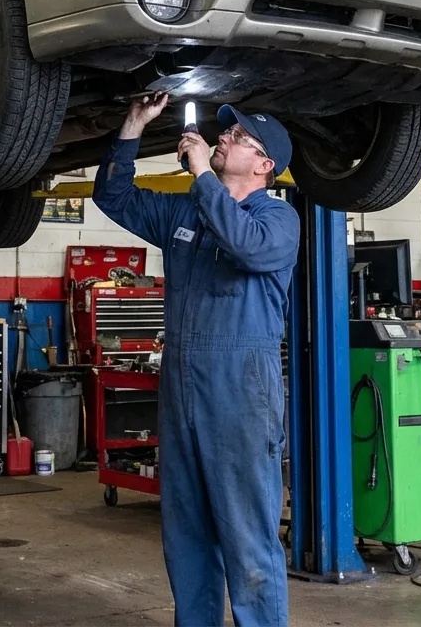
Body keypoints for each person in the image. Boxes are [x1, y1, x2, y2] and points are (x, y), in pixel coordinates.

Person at [93, 92, 300, 627]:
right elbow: (113, 197)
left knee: (247, 539)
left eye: (239, 137)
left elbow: (245, 246)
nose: (224, 135)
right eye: (226, 131)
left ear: (264, 164)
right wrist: (132, 126)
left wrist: (203, 173)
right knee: (185, 533)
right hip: (182, 390)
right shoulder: (186, 211)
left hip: (241, 396)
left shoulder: (277, 219)